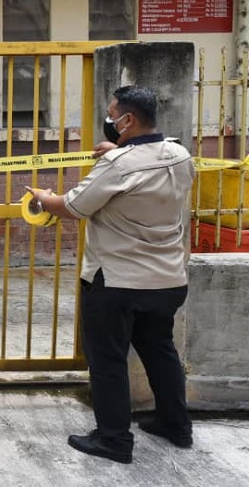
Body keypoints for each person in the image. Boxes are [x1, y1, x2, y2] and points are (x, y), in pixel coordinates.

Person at [27, 86, 195, 464]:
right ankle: (176, 425)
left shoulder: (117, 166)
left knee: (108, 361)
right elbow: (144, 167)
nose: (108, 119)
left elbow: (72, 207)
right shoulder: (180, 155)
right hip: (167, 280)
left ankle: (114, 439)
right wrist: (118, 151)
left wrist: (42, 196)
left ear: (128, 120)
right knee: (160, 352)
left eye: (112, 114)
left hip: (117, 281)